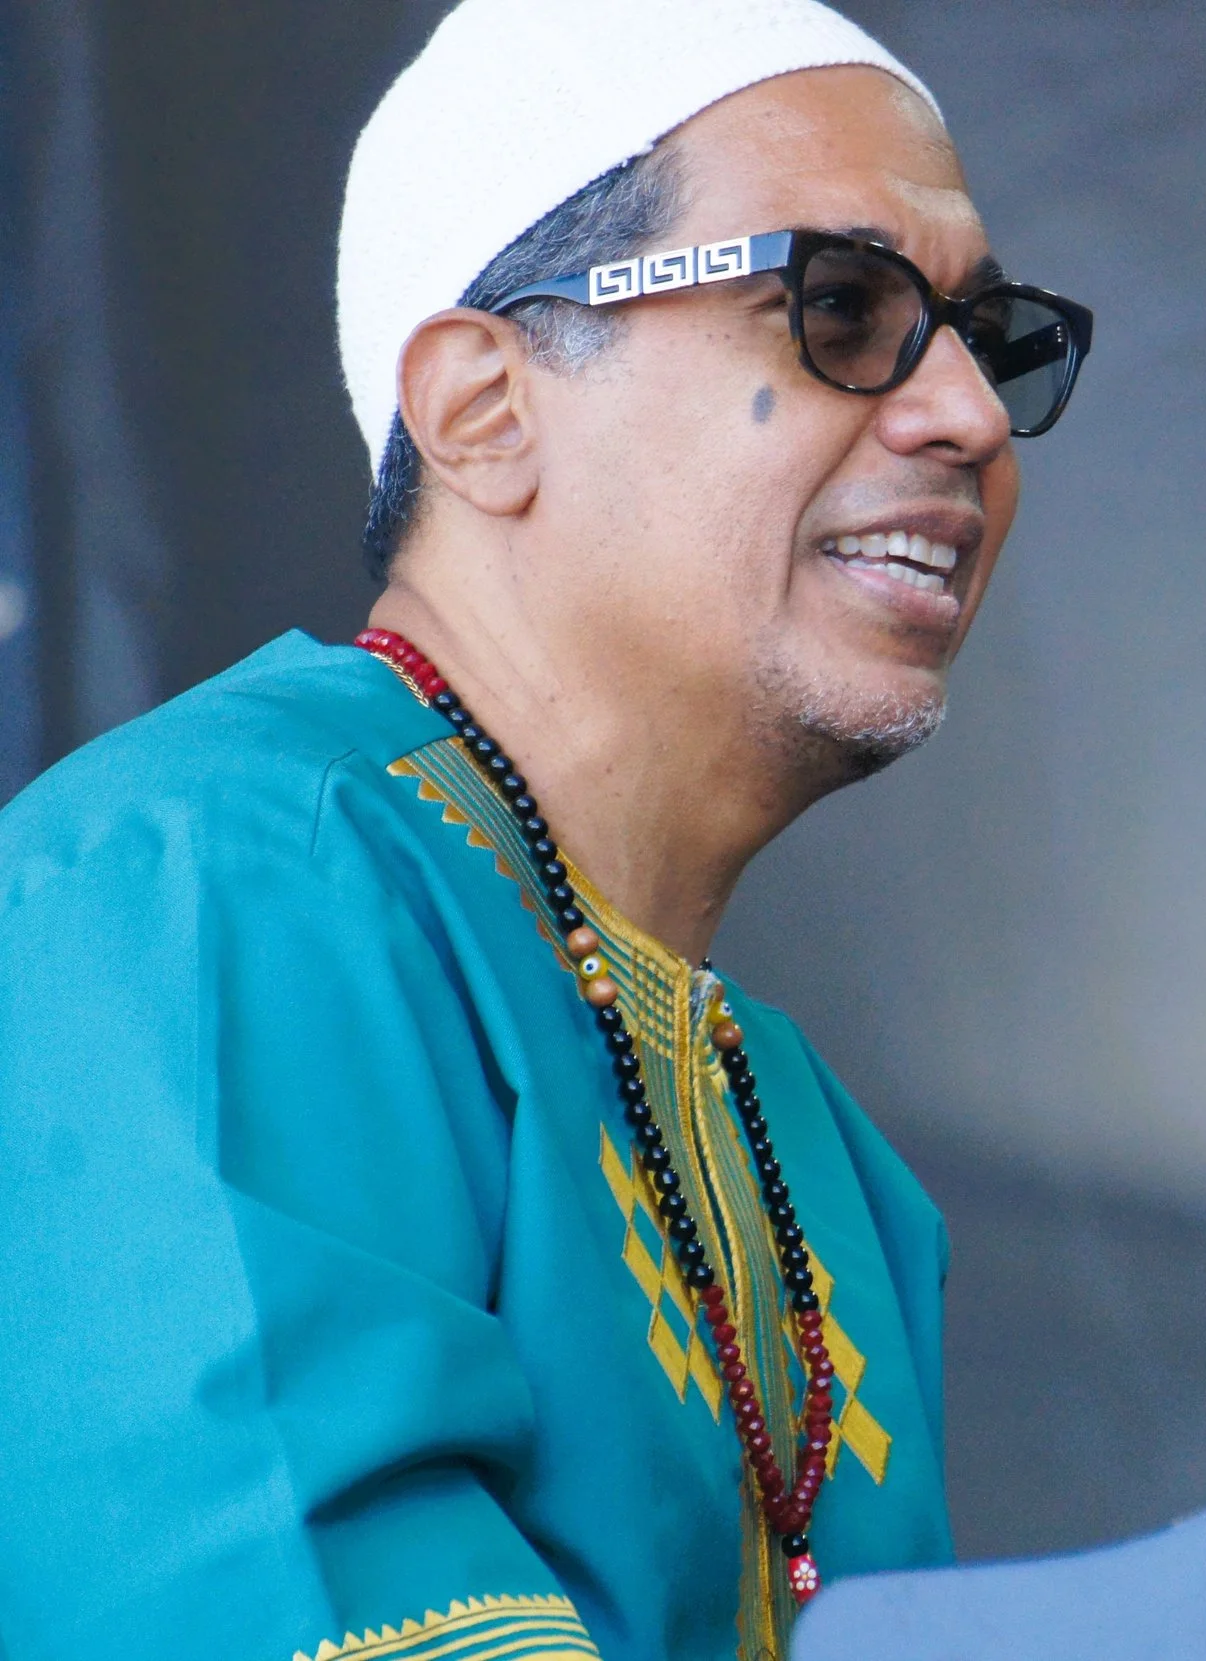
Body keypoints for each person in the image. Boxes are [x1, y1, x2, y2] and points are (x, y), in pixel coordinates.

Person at [0, 2, 1091, 1657]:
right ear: (486, 409)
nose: (972, 416)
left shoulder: (814, 1150)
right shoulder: (198, 877)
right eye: (844, 308)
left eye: (983, 335)